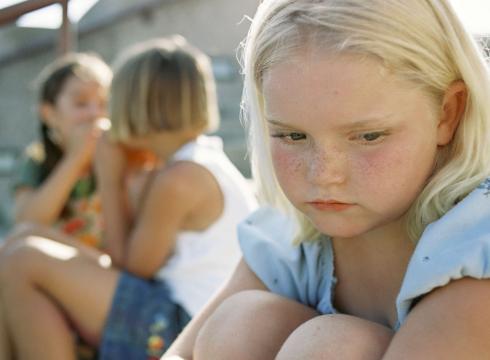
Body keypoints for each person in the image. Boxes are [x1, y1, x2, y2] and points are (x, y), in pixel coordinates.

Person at [163, 0, 490, 359]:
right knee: (240, 324)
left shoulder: (476, 247)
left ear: (448, 113)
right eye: (292, 136)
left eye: (368, 136)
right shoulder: (294, 240)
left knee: (330, 348)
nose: (323, 175)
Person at [0, 36, 257, 360]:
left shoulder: (180, 178)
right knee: (22, 239)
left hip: (185, 327)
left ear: (138, 108)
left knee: (24, 261)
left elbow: (130, 268)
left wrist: (109, 175)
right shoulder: (190, 161)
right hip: (173, 310)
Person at [11, 53, 112, 248]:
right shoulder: (37, 159)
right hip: (57, 268)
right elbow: (27, 223)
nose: (94, 113)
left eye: (103, 104)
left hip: (105, 268)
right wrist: (75, 158)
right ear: (49, 114)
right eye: (81, 103)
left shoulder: (120, 156)